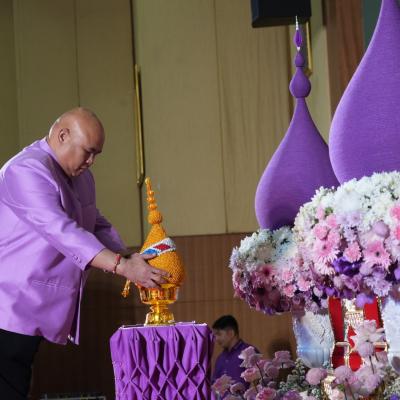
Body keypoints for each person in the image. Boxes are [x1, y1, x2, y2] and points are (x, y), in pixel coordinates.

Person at [0, 107, 169, 399]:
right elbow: (63, 232)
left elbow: (95, 224)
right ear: (62, 136)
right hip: (8, 305)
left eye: (96, 155)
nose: (91, 162)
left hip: (32, 311)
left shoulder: (82, 177)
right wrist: (122, 266)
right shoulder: (26, 170)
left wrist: (129, 257)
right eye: (88, 152)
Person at [212, 315, 258, 385]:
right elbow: (214, 384)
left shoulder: (249, 352)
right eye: (215, 335)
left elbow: (258, 381)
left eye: (219, 334)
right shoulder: (220, 358)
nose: (216, 339)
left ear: (231, 333)